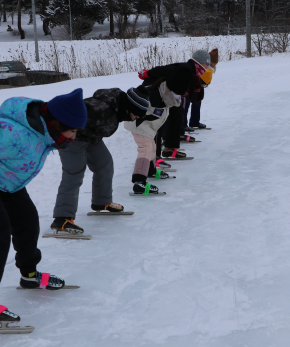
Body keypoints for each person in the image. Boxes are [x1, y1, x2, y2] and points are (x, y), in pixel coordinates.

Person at [0, 89, 87, 326]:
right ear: (57, 123)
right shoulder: (18, 138)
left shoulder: (36, 126)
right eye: (72, 130)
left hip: (1, 177)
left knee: (27, 221)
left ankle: (29, 275)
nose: (73, 136)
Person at [51, 86, 150, 234]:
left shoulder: (115, 107)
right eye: (135, 114)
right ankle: (62, 218)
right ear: (129, 108)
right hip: (72, 139)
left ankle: (101, 202)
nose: (135, 118)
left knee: (105, 164)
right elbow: (70, 112)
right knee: (74, 173)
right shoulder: (100, 109)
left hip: (91, 138)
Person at [126, 68, 194, 194]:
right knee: (146, 148)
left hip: (148, 127)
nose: (179, 97)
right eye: (178, 93)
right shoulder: (155, 95)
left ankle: (150, 171)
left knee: (152, 146)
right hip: (139, 125)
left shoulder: (166, 94)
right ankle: (139, 182)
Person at [137, 52, 208, 160]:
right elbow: (164, 69)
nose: (207, 67)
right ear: (201, 62)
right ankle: (154, 158)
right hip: (155, 91)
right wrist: (149, 73)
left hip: (163, 93)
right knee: (158, 122)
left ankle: (169, 148)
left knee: (177, 114)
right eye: (207, 64)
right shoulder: (186, 68)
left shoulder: (190, 70)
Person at [182, 49, 217, 132]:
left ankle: (194, 122)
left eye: (216, 63)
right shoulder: (197, 66)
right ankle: (183, 125)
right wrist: (200, 83)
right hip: (189, 88)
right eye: (213, 62)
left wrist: (203, 84)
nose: (214, 64)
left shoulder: (210, 67)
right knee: (185, 106)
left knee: (197, 103)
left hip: (197, 88)